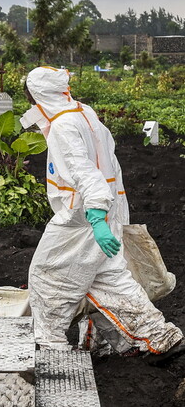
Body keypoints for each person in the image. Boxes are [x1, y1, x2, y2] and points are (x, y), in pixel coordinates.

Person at [23, 65, 184, 363]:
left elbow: (86, 174)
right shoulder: (85, 113)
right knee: (109, 278)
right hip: (105, 210)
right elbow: (110, 163)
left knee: (47, 276)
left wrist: (96, 217)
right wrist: (110, 216)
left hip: (81, 217)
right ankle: (159, 334)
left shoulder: (63, 126)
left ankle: (50, 344)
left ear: (39, 96)